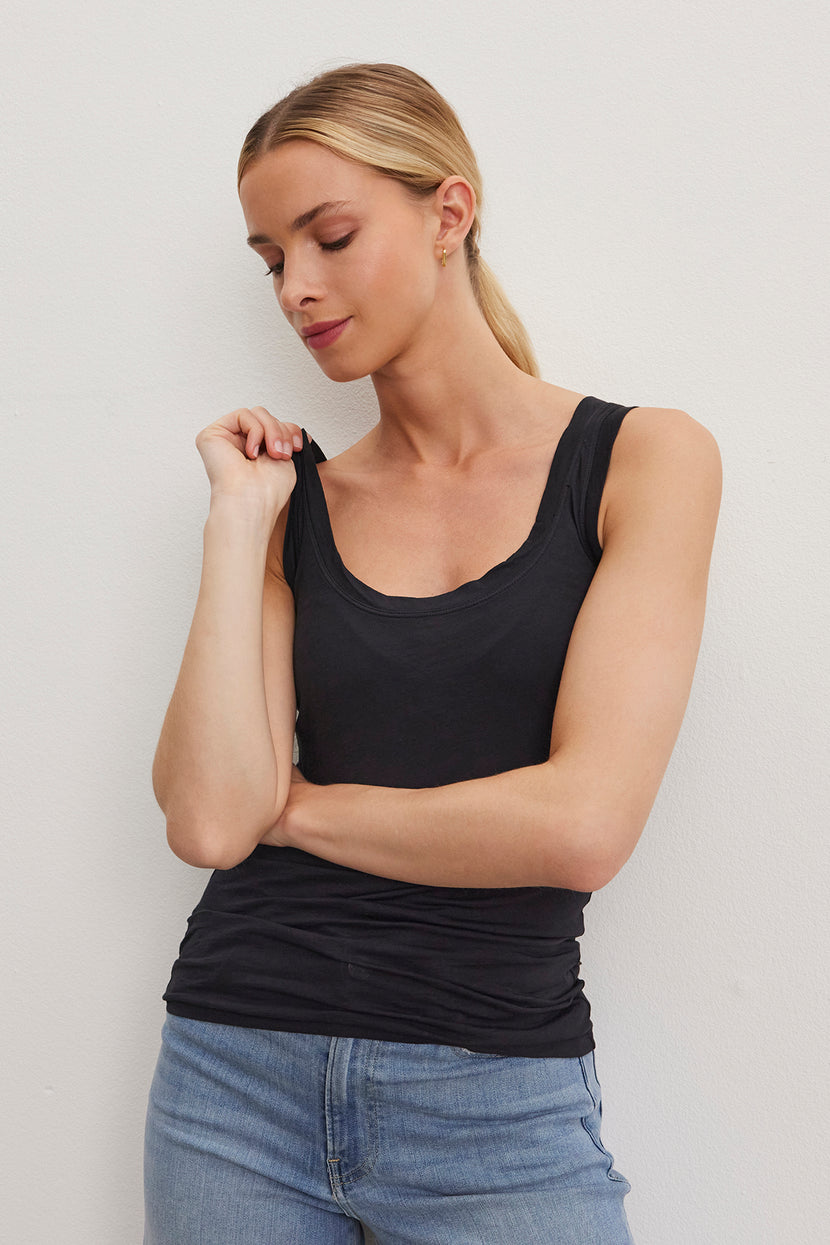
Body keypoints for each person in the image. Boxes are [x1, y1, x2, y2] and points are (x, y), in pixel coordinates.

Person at [143, 63, 721, 1245]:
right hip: (231, 1077)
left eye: (331, 236)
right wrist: (240, 521)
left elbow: (578, 828)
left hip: (494, 1096)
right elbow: (209, 824)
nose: (296, 288)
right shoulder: (292, 500)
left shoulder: (641, 462)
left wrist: (291, 811)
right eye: (271, 260)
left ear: (447, 213)